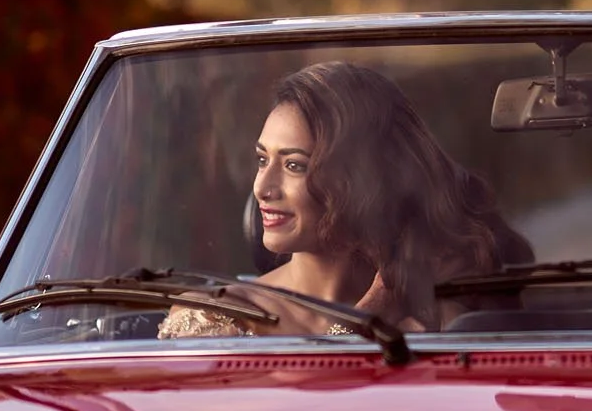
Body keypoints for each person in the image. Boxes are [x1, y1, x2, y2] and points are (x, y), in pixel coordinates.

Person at [163, 60, 529, 339]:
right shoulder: (214, 318)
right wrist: (373, 314)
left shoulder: (433, 318)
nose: (262, 187)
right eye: (262, 160)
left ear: (362, 182)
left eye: (294, 165)